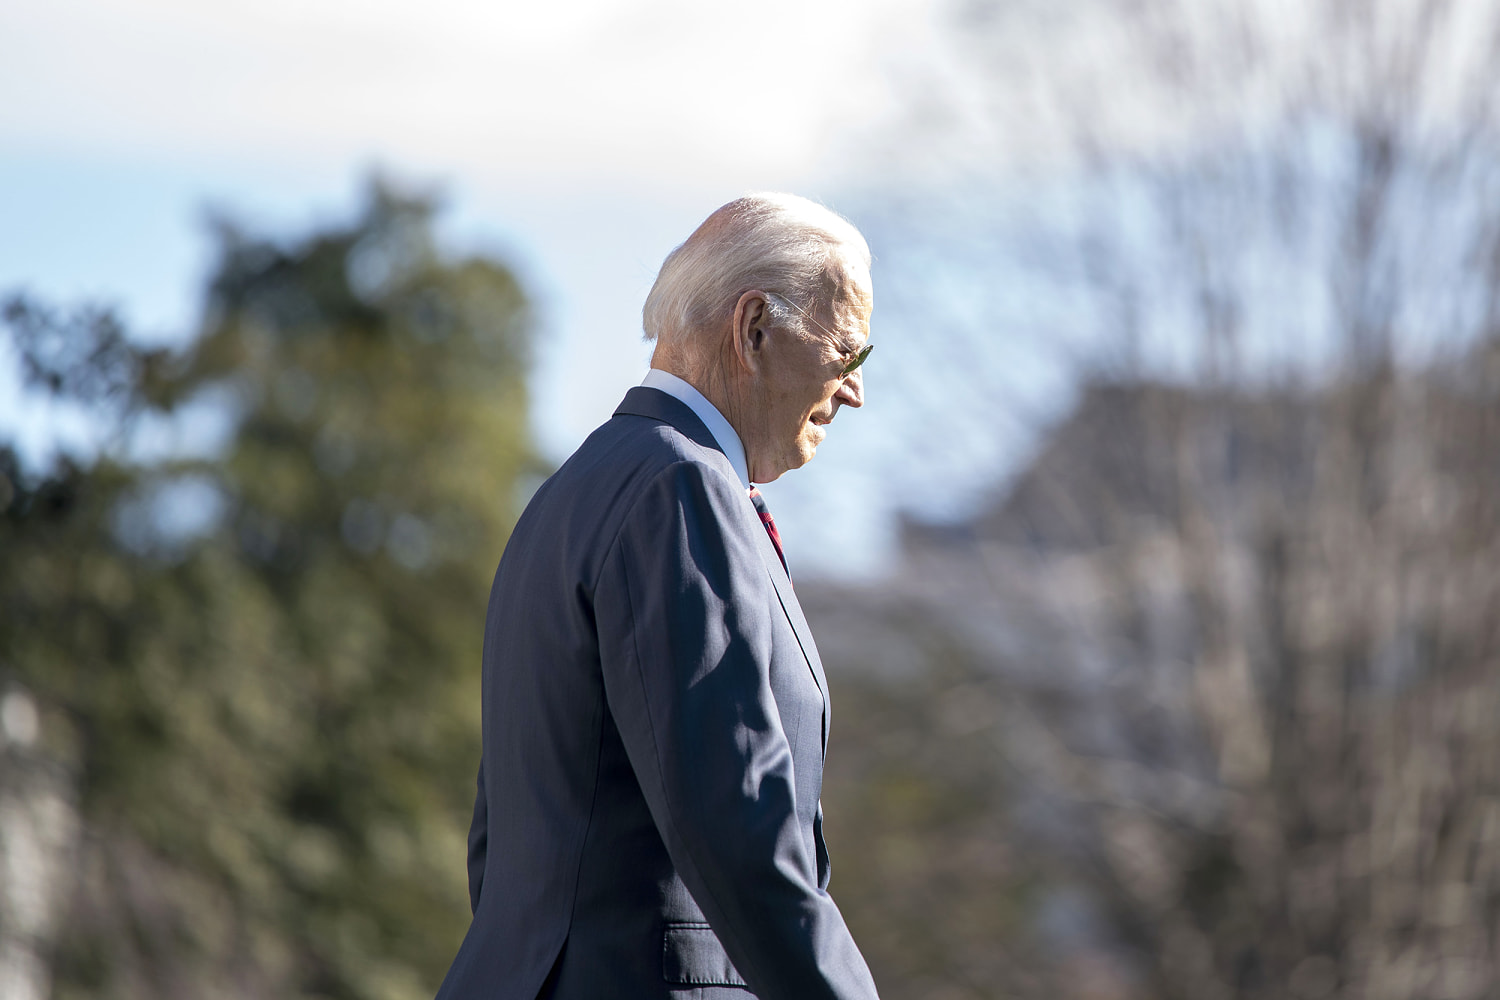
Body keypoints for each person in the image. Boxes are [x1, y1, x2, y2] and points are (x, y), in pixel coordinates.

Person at [434, 194, 881, 1000]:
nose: (854, 390)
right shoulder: (681, 488)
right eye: (848, 351)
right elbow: (738, 823)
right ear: (754, 329)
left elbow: (501, 850)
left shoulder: (569, 493)